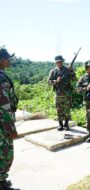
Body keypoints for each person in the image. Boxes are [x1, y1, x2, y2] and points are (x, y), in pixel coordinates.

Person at [0, 48, 19, 190]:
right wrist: (10, 128)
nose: (9, 60)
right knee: (5, 154)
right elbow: (4, 105)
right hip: (2, 124)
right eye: (7, 58)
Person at [48, 55, 76, 131]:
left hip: (67, 93)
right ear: (56, 63)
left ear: (63, 62)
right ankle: (60, 125)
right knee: (59, 109)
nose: (59, 63)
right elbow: (49, 81)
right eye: (58, 62)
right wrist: (55, 81)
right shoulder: (53, 71)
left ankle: (66, 124)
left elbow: (74, 78)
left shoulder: (67, 69)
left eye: (60, 62)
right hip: (58, 93)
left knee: (67, 109)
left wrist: (71, 70)